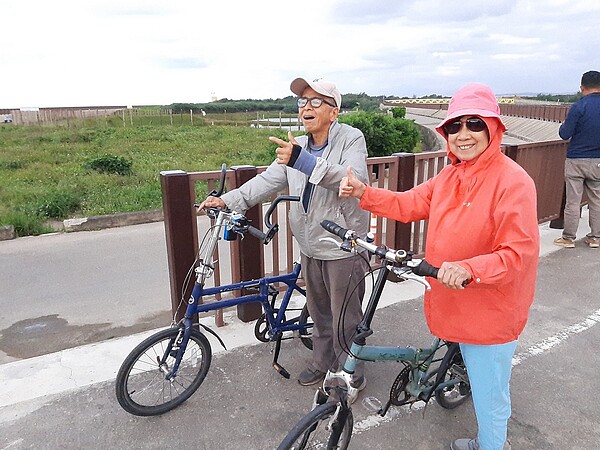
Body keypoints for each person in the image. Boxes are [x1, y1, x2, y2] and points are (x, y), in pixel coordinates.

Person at [339, 83, 540, 450]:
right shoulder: (450, 175)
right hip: (454, 299)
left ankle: (493, 446)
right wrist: (363, 193)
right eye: (454, 126)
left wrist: (469, 268)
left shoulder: (514, 182)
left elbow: (517, 254)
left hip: (491, 312)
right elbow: (408, 204)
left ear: (493, 127)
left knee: (491, 397)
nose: (463, 134)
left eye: (474, 123)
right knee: (473, 372)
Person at [199, 77, 370, 397]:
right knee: (320, 313)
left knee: (345, 317)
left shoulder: (351, 138)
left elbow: (353, 179)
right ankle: (323, 362)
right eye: (303, 102)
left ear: (334, 112)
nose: (306, 106)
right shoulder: (300, 147)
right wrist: (228, 200)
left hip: (344, 244)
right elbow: (267, 181)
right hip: (310, 243)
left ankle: (350, 375)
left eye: (316, 101)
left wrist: (302, 161)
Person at [554, 70, 600, 249]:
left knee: (573, 201)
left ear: (582, 87)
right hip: (598, 161)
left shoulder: (579, 106)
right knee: (596, 200)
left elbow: (565, 133)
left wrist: (563, 126)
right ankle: (596, 237)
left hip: (576, 160)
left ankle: (568, 238)